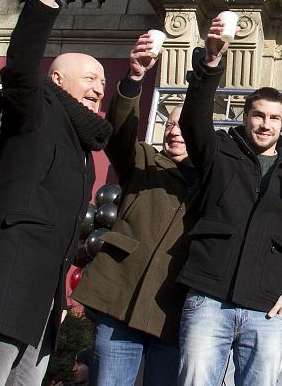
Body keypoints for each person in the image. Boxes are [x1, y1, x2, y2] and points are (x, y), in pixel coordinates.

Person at [176, 14, 282, 386]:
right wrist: (211, 63)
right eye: (258, 115)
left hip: (268, 307)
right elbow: (192, 120)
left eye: (274, 118)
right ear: (245, 116)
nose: (265, 124)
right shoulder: (219, 150)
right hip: (209, 298)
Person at [0, 0, 112, 385]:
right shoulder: (34, 109)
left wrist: (59, 305)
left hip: (43, 309)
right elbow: (21, 63)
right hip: (7, 289)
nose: (100, 87)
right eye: (91, 77)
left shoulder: (85, 147)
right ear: (58, 79)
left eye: (103, 80)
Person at [71, 33, 200, 386]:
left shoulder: (212, 179)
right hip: (119, 298)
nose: (174, 132)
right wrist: (135, 79)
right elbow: (120, 132)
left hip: (171, 312)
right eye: (169, 124)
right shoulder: (144, 159)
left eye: (183, 127)